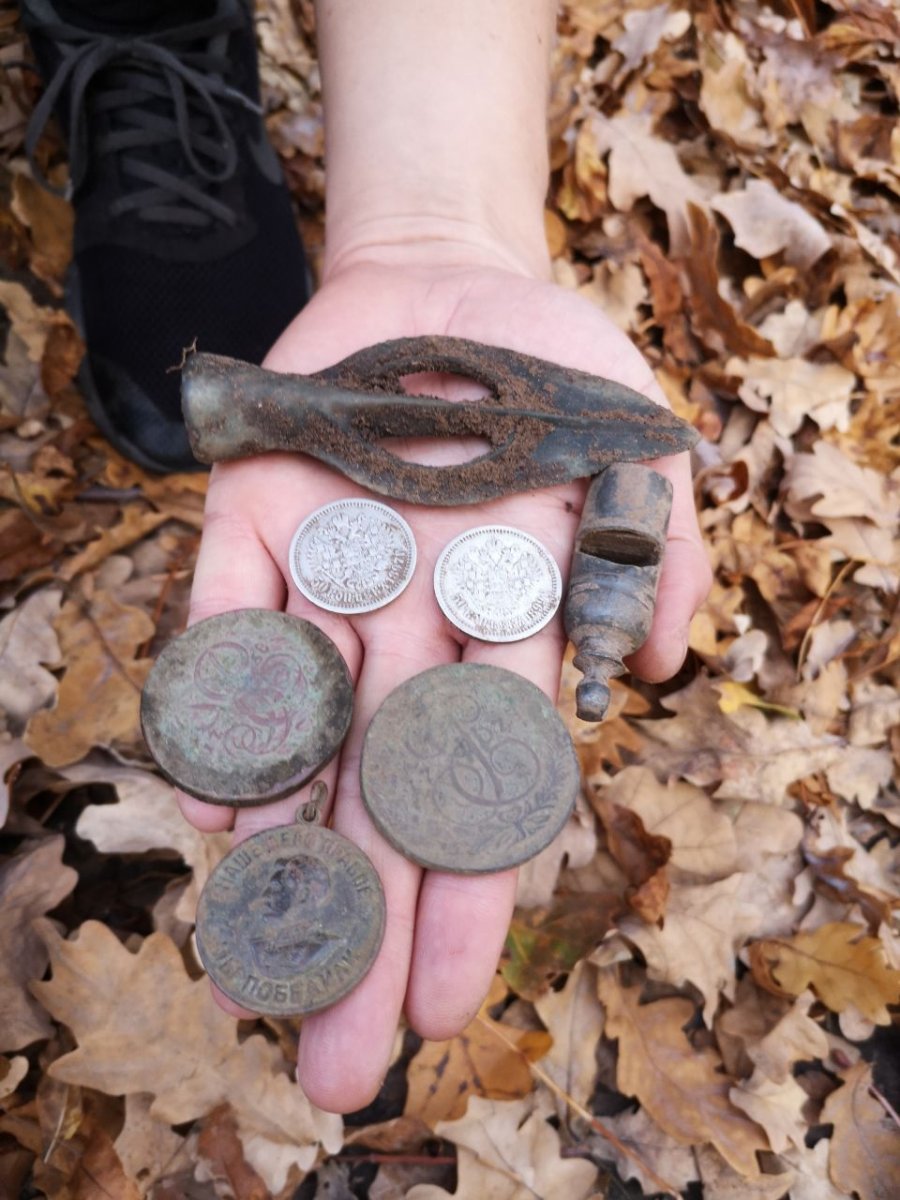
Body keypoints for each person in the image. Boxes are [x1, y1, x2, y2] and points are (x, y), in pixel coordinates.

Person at [22, 0, 712, 1113]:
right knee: (176, 340)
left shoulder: (570, 433)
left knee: (198, 337)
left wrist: (440, 223)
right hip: (293, 390)